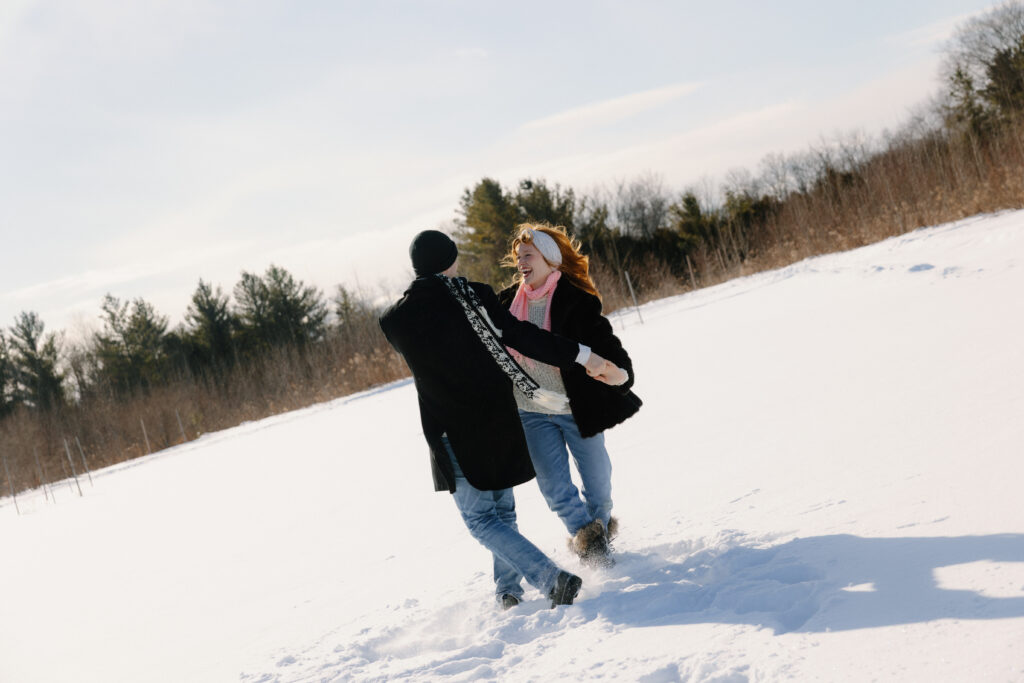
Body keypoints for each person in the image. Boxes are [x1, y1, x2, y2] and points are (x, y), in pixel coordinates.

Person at [378, 229, 625, 609]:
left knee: (482, 521)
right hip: (499, 422)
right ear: (449, 259)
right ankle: (507, 592)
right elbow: (524, 336)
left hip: (454, 432)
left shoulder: (394, 319)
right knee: (501, 514)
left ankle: (550, 578)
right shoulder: (474, 296)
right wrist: (582, 355)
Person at [498, 224, 641, 568]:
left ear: (549, 259)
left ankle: (599, 532)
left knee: (598, 486)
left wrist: (621, 374)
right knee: (555, 489)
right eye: (518, 257)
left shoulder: (575, 299)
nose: (521, 263)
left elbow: (604, 343)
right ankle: (592, 545)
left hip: (575, 408)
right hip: (530, 410)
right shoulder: (504, 303)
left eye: (528, 256)